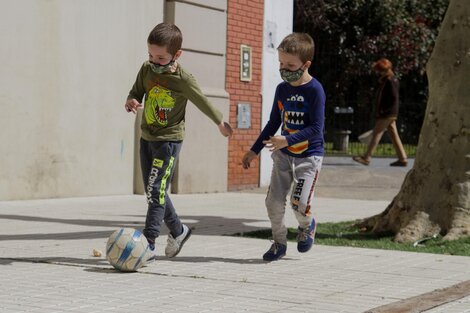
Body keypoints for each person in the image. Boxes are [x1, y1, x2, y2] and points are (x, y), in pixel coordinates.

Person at [125, 23, 233, 260]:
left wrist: (220, 122)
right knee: (155, 190)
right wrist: (131, 101)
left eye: (161, 57)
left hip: (169, 141)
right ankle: (178, 230)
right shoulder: (147, 69)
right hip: (147, 138)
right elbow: (136, 91)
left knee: (156, 189)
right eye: (151, 55)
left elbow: (202, 100)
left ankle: (149, 242)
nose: (154, 61)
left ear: (177, 54)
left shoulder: (183, 79)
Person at [242, 32, 325, 261]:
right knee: (273, 202)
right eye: (281, 63)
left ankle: (307, 225)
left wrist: (286, 139)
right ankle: (279, 243)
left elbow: (317, 129)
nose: (284, 68)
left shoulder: (315, 90)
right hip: (283, 155)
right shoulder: (282, 89)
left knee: (298, 204)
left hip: (308, 157)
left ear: (305, 64)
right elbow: (273, 122)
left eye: (290, 65)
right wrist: (254, 149)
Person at [353, 58, 408, 167]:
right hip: (390, 113)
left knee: (377, 134)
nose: (379, 73)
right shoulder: (389, 80)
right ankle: (403, 158)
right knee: (394, 135)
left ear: (385, 70)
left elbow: (393, 98)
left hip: (387, 113)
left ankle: (367, 157)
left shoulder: (390, 81)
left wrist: (383, 111)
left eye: (380, 70)